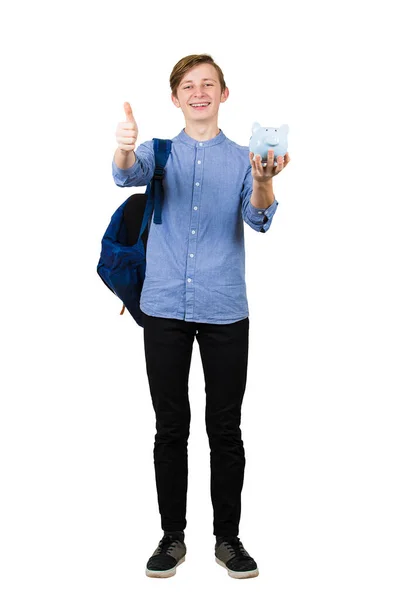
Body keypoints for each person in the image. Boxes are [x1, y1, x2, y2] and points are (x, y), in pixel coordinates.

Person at [112, 53, 290, 579]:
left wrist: (264, 179)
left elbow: (258, 218)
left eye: (208, 84)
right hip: (164, 306)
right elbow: (127, 175)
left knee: (225, 428)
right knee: (171, 426)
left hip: (224, 309)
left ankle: (228, 539)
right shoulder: (159, 152)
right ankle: (172, 536)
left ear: (223, 94)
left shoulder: (244, 157)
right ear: (175, 98)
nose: (198, 92)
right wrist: (122, 150)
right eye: (188, 85)